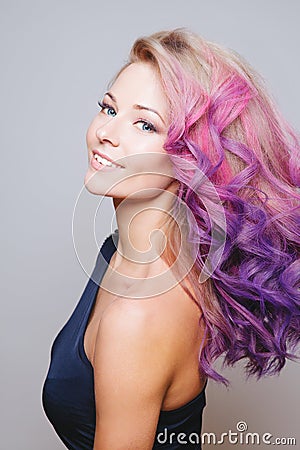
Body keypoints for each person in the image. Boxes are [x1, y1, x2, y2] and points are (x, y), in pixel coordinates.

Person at [42, 28, 300, 449]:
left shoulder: (139, 315)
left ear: (191, 155)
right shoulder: (124, 255)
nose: (107, 133)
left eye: (145, 124)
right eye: (109, 109)